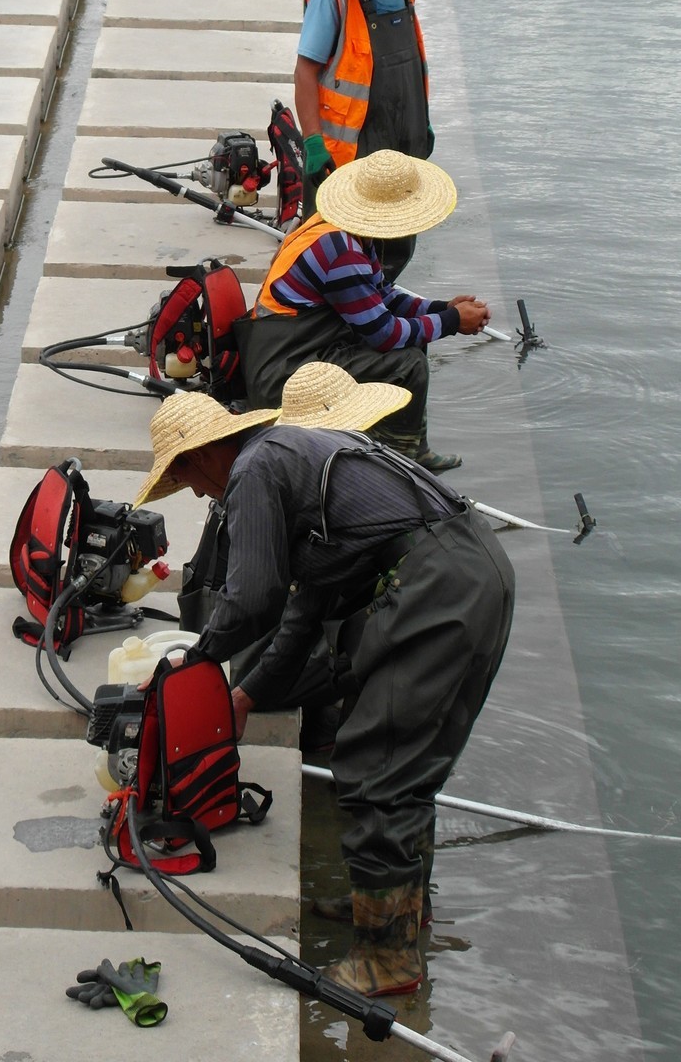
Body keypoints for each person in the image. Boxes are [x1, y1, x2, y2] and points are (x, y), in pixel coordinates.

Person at [133, 374, 516, 999]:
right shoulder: (296, 463)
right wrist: (245, 695)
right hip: (474, 568)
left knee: (376, 763)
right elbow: (300, 614)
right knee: (406, 762)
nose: (199, 493)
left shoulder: (255, 468)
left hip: (439, 587)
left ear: (202, 453)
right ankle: (393, 911)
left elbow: (252, 599)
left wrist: (196, 659)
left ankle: (387, 959)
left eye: (190, 479)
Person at [238, 149, 490, 472]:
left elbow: (383, 296)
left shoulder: (344, 231)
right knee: (409, 363)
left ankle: (411, 445)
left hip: (298, 349)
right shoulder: (341, 252)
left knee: (417, 337)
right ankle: (399, 461)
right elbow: (386, 334)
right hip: (282, 373)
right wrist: (453, 321)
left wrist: (443, 308)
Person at [296, 0, 444, 278]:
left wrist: (421, 124)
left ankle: (382, 320)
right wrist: (312, 142)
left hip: (401, 152)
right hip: (345, 157)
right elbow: (305, 71)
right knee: (335, 260)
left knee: (393, 252)